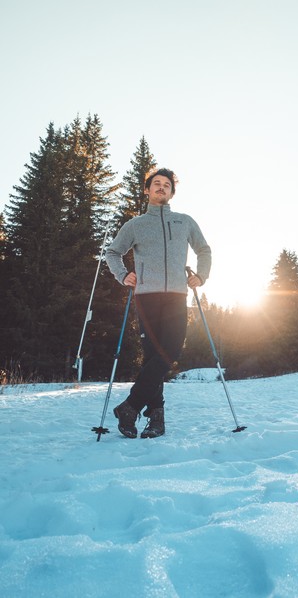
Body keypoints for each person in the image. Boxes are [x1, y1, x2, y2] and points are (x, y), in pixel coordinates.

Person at [105, 168, 211, 439]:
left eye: (166, 185)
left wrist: (201, 275)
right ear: (147, 190)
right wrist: (122, 274)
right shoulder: (135, 225)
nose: (161, 188)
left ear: (172, 192)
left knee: (170, 352)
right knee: (153, 356)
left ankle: (129, 407)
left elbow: (204, 249)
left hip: (177, 296)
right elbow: (113, 252)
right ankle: (155, 418)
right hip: (146, 297)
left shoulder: (184, 221)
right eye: (156, 184)